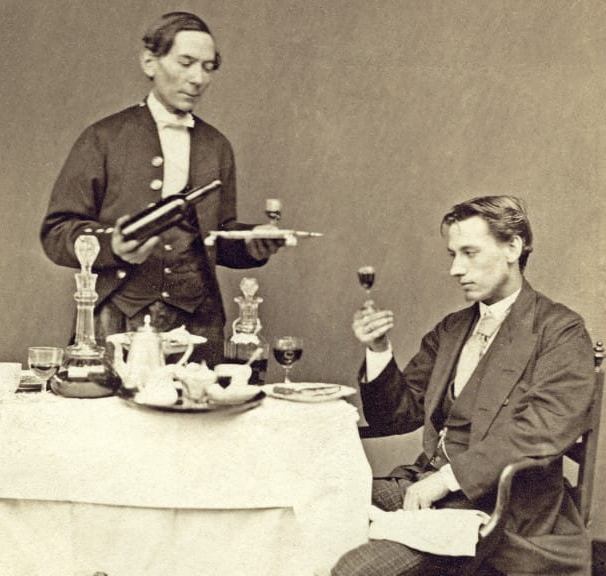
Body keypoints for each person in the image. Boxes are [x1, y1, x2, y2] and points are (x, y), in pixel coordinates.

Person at [333, 196, 594, 576]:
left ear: (513, 247)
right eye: (453, 254)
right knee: (318, 506)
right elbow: (398, 417)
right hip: (427, 487)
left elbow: (542, 430)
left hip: (502, 510)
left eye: (470, 253)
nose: (456, 269)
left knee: (355, 569)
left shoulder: (559, 331)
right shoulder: (453, 329)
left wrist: (445, 480)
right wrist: (379, 350)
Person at [41, 12, 281, 364]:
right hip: (118, 321)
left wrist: (254, 242)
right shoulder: (104, 138)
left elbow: (217, 238)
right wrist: (113, 245)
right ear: (150, 61)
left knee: (200, 417)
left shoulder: (217, 146)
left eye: (208, 67)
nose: (197, 78)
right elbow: (56, 233)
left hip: (200, 326)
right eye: (186, 63)